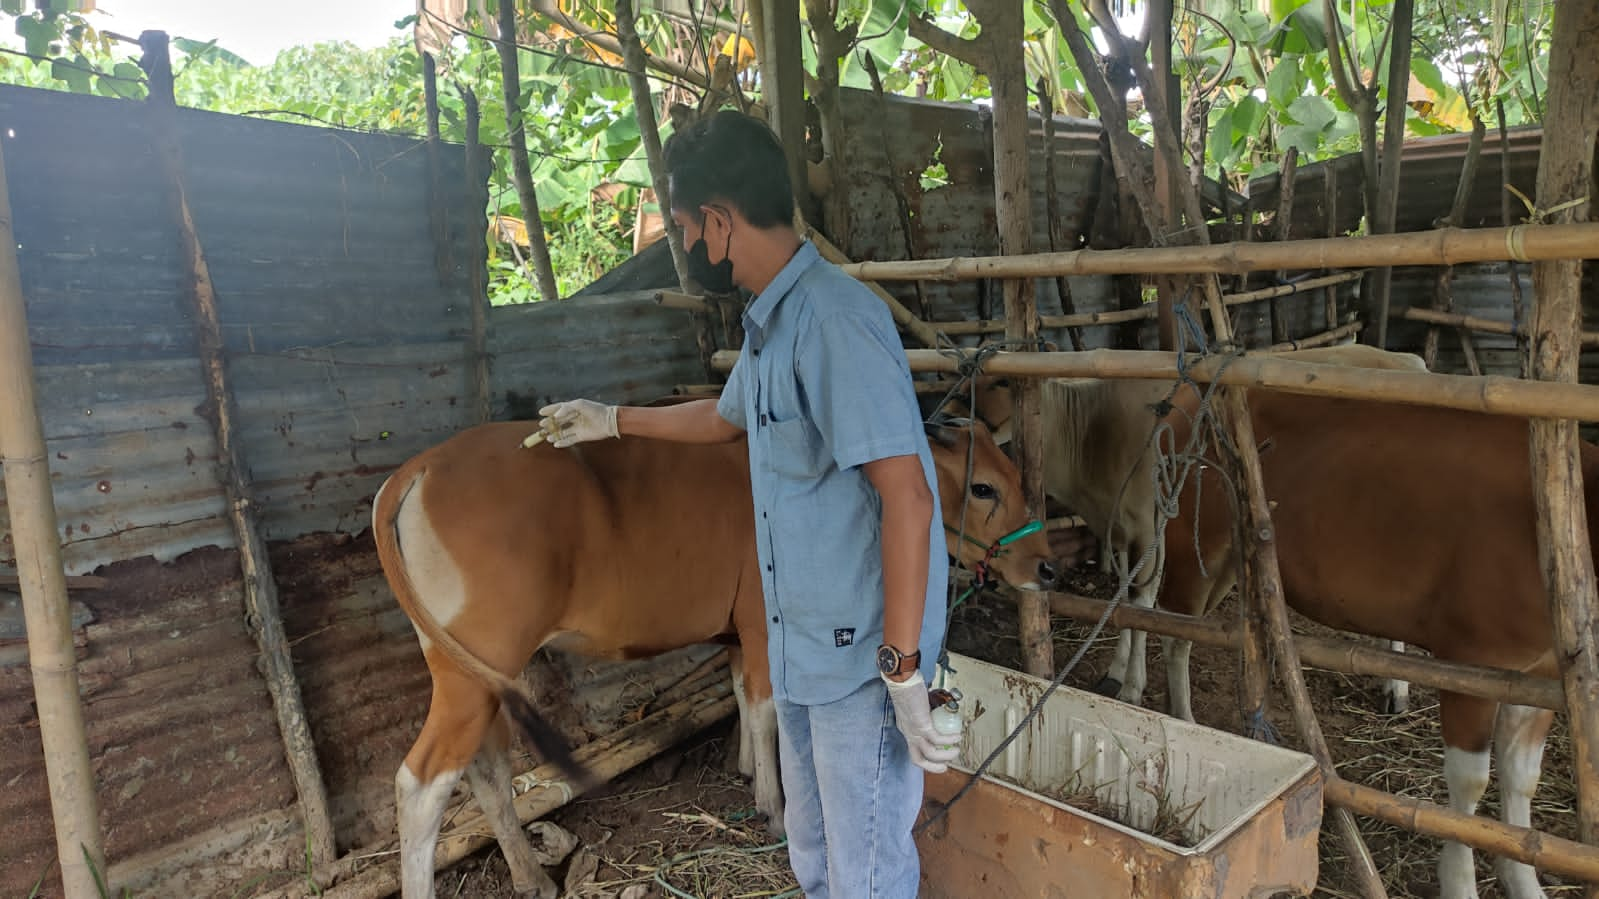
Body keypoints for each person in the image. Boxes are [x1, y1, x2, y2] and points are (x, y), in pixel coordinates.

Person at [526, 108, 958, 898]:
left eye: (688, 227)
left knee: (867, 869)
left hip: (860, 659)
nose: (686, 245)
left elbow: (908, 497)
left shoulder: (831, 321)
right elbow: (727, 418)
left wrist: (901, 666)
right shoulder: (771, 326)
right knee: (816, 853)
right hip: (798, 650)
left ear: (720, 221)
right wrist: (611, 418)